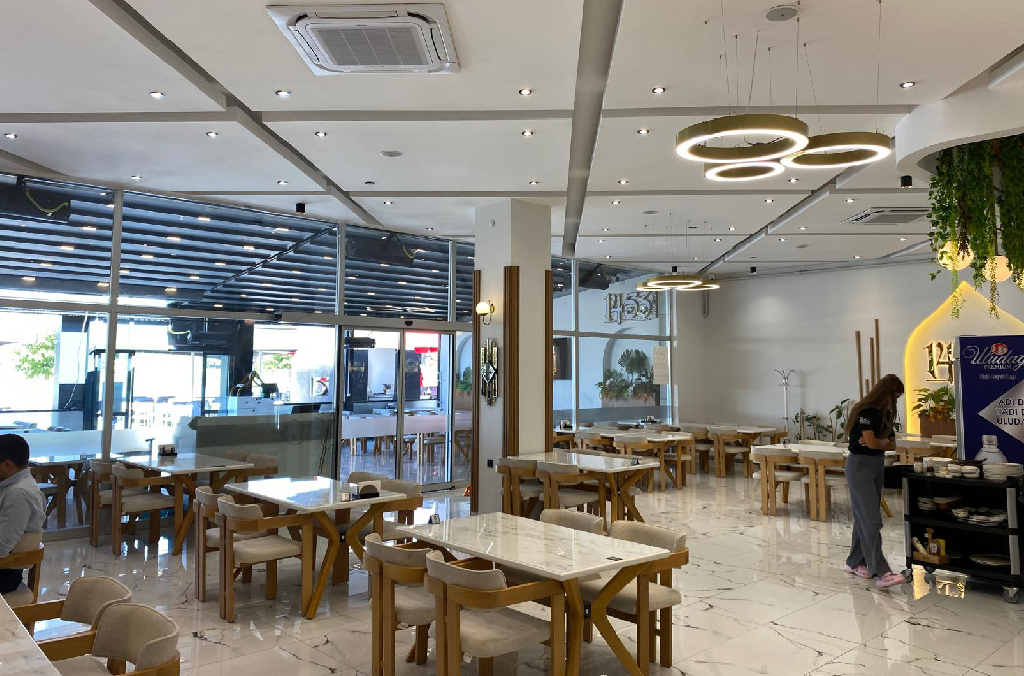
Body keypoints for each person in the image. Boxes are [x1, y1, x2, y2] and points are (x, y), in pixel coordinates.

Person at [842, 374, 908, 589]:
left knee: (863, 517)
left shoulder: (885, 415)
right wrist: (881, 442)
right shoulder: (866, 411)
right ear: (885, 393)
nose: (894, 402)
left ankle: (854, 562)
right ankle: (882, 571)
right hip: (860, 465)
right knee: (871, 519)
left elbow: (891, 444)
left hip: (876, 465)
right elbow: (872, 443)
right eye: (894, 397)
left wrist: (880, 442)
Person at [0, 434, 46, 595]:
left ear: (7, 464)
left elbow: (1, 546)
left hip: (5, 573)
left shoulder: (18, 494)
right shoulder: (12, 486)